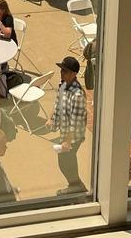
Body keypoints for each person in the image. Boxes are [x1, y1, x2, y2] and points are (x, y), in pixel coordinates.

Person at [49, 55, 87, 195]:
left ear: (73, 74)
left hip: (73, 136)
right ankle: (76, 185)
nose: (61, 73)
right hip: (65, 132)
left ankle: (75, 186)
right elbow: (57, 104)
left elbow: (76, 122)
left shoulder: (77, 95)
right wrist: (51, 119)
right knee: (67, 160)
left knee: (65, 161)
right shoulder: (63, 85)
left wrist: (67, 141)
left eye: (64, 71)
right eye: (61, 70)